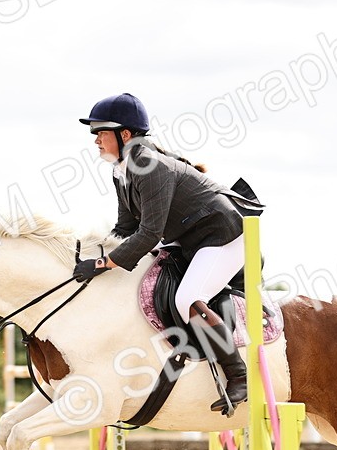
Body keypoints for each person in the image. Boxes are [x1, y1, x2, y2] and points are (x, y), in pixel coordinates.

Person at [71, 93, 263, 415]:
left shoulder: (150, 166)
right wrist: (90, 251)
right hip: (188, 239)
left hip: (222, 235)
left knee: (187, 298)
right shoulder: (122, 170)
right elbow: (126, 228)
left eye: (101, 132)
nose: (96, 140)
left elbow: (149, 233)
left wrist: (104, 263)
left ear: (125, 134)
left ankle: (238, 375)